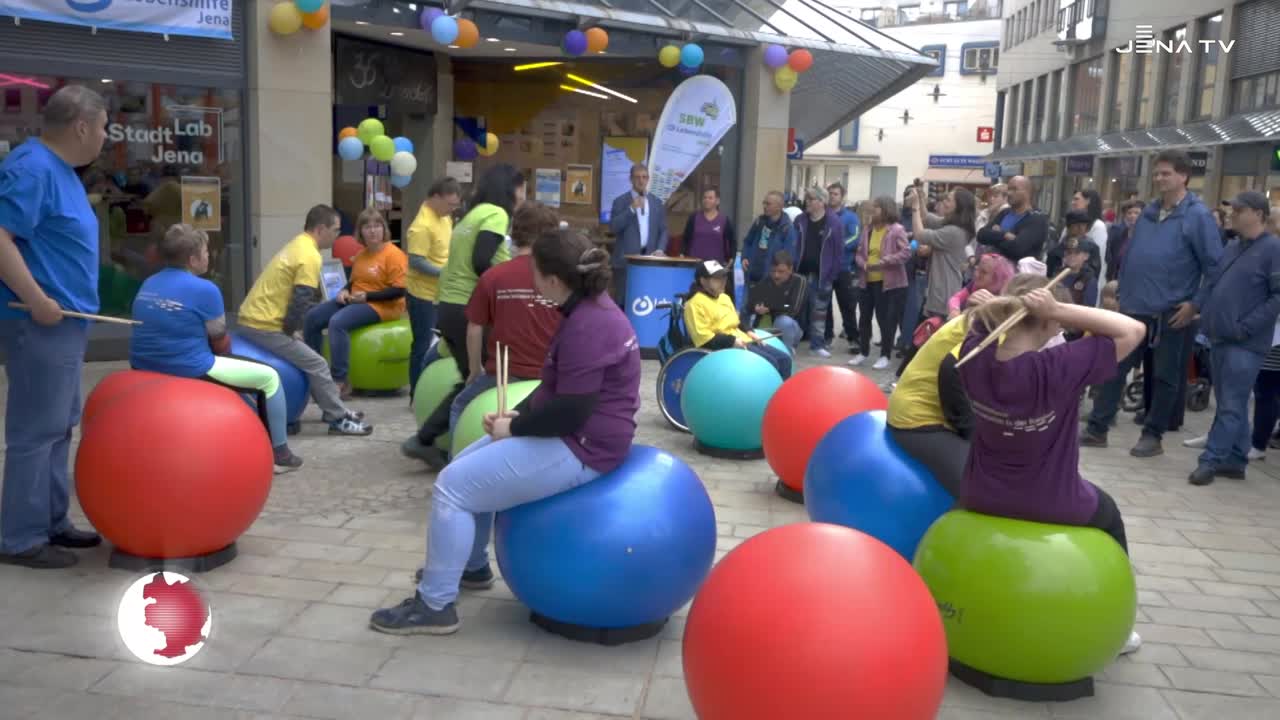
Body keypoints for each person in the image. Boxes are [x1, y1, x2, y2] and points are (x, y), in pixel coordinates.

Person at [370, 229, 642, 635]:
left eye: (534, 270)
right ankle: (473, 566)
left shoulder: (589, 324)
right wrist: (516, 416)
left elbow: (570, 411)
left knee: (451, 487)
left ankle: (436, 604)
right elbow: (557, 390)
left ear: (552, 280)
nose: (529, 276)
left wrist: (513, 427)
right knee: (464, 468)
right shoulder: (587, 310)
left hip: (585, 445)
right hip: (580, 434)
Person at [958, 281, 1146, 656]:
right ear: (1044, 322)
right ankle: (1120, 627)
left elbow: (976, 324)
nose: (1061, 328)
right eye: (1055, 322)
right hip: (1050, 500)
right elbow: (1134, 330)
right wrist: (1057, 310)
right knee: (1109, 514)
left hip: (980, 493)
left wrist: (990, 307)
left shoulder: (972, 358)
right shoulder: (1059, 365)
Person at [0, 85, 108, 569]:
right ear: (82, 126)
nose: (106, 136)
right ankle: (20, 539)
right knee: (35, 430)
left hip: (66, 325)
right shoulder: (31, 167)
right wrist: (36, 299)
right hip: (40, 322)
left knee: (59, 425)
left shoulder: (60, 171)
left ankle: (51, 521)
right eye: (104, 127)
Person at [1082, 150, 1222, 458]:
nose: (1159, 179)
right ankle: (1097, 429)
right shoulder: (1148, 213)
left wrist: (1195, 305)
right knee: (1114, 367)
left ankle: (1153, 434)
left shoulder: (1197, 216)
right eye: (1157, 173)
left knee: (1165, 377)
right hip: (1134, 308)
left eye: (1166, 173)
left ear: (1183, 176)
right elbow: (1133, 256)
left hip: (1172, 313)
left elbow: (1214, 267)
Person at [401, 203, 563, 469]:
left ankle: (455, 466)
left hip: (506, 373)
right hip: (548, 371)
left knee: (460, 404)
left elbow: (474, 327)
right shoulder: (557, 278)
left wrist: (474, 370)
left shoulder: (493, 276)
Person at [131, 225, 303, 468]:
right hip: (188, 367)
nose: (209, 255)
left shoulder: (148, 283)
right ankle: (280, 455)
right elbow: (219, 341)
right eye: (205, 251)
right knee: (270, 378)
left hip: (143, 364)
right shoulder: (206, 289)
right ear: (192, 260)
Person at [408, 164, 527, 456]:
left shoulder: (471, 215)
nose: (525, 194)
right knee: (486, 377)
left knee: (470, 379)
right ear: (510, 189)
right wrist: (508, 287)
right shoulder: (497, 214)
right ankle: (442, 446)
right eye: (523, 187)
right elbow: (481, 261)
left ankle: (426, 439)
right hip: (466, 307)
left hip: (449, 305)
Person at [237, 205, 373, 436]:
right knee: (317, 363)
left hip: (258, 318)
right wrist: (291, 332)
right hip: (262, 324)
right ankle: (338, 419)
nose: (338, 235)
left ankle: (334, 408)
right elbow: (301, 299)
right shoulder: (309, 255)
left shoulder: (298, 243)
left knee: (312, 359)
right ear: (321, 229)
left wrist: (291, 331)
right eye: (336, 230)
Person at [1188, 192, 1280, 486]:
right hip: (1220, 336)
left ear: (1258, 214)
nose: (1232, 214)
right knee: (1231, 402)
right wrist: (1200, 308)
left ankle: (1211, 460)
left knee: (1231, 402)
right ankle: (1236, 460)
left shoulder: (1273, 249)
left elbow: (1277, 297)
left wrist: (1246, 327)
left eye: (1238, 209)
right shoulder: (1233, 246)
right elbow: (1213, 281)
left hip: (1245, 342)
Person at [303, 208, 407, 399]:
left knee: (338, 322)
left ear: (384, 229)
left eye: (377, 226)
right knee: (312, 317)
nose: (373, 231)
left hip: (384, 306)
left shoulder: (394, 255)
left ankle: (340, 381)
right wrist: (344, 290)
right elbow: (355, 281)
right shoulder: (362, 255)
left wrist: (367, 297)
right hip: (357, 299)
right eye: (367, 227)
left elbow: (399, 290)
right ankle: (315, 375)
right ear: (361, 232)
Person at [685, 259, 792, 379]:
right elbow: (703, 339)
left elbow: (737, 321)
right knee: (770, 363)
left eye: (723, 277)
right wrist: (731, 341)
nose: (723, 282)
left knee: (785, 360)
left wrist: (749, 331)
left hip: (742, 339)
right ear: (703, 281)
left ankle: (782, 396)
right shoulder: (694, 304)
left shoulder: (724, 297)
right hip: (724, 348)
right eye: (717, 278)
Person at [405, 177, 462, 397]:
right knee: (422, 344)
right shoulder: (422, 226)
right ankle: (416, 393)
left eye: (455, 205)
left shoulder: (444, 217)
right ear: (436, 198)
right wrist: (445, 273)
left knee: (439, 344)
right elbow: (416, 262)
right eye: (450, 204)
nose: (453, 209)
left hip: (442, 292)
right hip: (422, 295)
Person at [851, 196, 911, 370]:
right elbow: (859, 254)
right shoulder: (867, 229)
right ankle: (863, 352)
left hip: (889, 284)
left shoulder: (896, 230)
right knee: (864, 318)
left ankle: (885, 355)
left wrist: (884, 261)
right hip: (867, 281)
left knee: (885, 320)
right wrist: (864, 264)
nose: (872, 210)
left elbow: (906, 253)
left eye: (876, 207)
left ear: (886, 210)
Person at [794, 186, 847, 358]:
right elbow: (794, 244)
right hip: (800, 273)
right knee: (796, 309)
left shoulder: (834, 223)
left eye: (810, 199)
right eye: (806, 198)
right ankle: (792, 342)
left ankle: (817, 345)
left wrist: (832, 275)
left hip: (822, 275)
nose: (807, 202)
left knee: (819, 312)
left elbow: (839, 252)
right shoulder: (800, 220)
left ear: (821, 202)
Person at [909, 186, 973, 321]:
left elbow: (920, 234)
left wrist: (914, 207)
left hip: (943, 295)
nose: (944, 202)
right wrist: (920, 198)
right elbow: (926, 218)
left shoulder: (954, 231)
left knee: (925, 339)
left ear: (959, 206)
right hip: (940, 292)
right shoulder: (953, 226)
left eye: (948, 200)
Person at [608, 163, 668, 305]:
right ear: (631, 179)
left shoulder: (656, 202)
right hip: (625, 262)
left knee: (645, 301)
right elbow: (613, 227)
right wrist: (631, 210)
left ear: (648, 179)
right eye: (637, 177)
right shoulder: (620, 201)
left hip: (649, 260)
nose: (641, 181)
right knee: (623, 302)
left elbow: (663, 229)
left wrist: (660, 249)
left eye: (644, 177)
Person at [740, 191, 798, 323]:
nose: (764, 206)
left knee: (763, 313)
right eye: (764, 203)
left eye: (768, 203)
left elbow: (788, 258)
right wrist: (744, 257)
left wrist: (777, 278)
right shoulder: (759, 221)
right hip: (752, 276)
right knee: (745, 309)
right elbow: (748, 241)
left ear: (779, 206)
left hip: (770, 280)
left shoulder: (787, 228)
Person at [974, 175, 1050, 263]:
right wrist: (1004, 235)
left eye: (1014, 189)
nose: (1009, 193)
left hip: (1018, 274)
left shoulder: (1036, 219)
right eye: (1009, 189)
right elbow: (981, 235)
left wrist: (995, 236)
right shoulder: (1004, 213)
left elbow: (1017, 249)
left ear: (1027, 192)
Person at [681, 188, 737, 298]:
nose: (706, 200)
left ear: (717, 201)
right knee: (695, 294)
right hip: (695, 264)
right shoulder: (694, 218)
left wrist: (731, 257)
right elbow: (686, 238)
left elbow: (732, 240)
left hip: (715, 266)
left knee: (714, 295)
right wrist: (682, 253)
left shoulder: (724, 220)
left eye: (710, 198)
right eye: (705, 197)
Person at [746, 250, 808, 350]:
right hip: (766, 326)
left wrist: (770, 307)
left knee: (784, 321)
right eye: (773, 271)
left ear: (790, 269)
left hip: (792, 327)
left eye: (781, 271)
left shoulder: (799, 281)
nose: (776, 275)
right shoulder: (767, 280)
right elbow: (750, 303)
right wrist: (756, 307)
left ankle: (787, 353)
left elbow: (793, 308)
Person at [825, 183, 861, 349]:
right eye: (830, 193)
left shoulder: (851, 217)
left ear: (842, 197)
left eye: (836, 194)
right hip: (825, 268)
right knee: (824, 305)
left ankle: (853, 338)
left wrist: (836, 246)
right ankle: (826, 336)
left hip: (843, 268)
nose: (832, 196)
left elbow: (855, 237)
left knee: (847, 305)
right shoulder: (823, 215)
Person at [948, 253, 1016, 318]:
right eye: (977, 269)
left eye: (984, 272)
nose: (976, 274)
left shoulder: (1004, 297)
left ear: (997, 277)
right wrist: (955, 310)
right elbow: (956, 298)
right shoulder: (974, 285)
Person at [1106, 200, 1143, 283]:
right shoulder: (1120, 235)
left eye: (1136, 213)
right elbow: (1112, 258)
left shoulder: (1146, 237)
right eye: (1129, 213)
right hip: (1117, 280)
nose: (1132, 216)